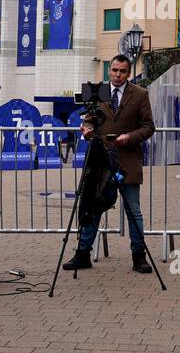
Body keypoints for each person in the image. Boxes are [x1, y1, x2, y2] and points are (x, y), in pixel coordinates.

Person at [63, 54, 156, 274]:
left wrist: (129, 137)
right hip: (101, 162)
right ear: (109, 70)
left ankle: (139, 256)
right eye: (114, 70)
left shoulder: (140, 95)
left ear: (129, 72)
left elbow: (149, 126)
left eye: (122, 71)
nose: (118, 74)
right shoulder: (99, 93)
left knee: (133, 211)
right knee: (92, 208)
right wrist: (86, 128)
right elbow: (90, 118)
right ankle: (83, 253)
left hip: (127, 161)